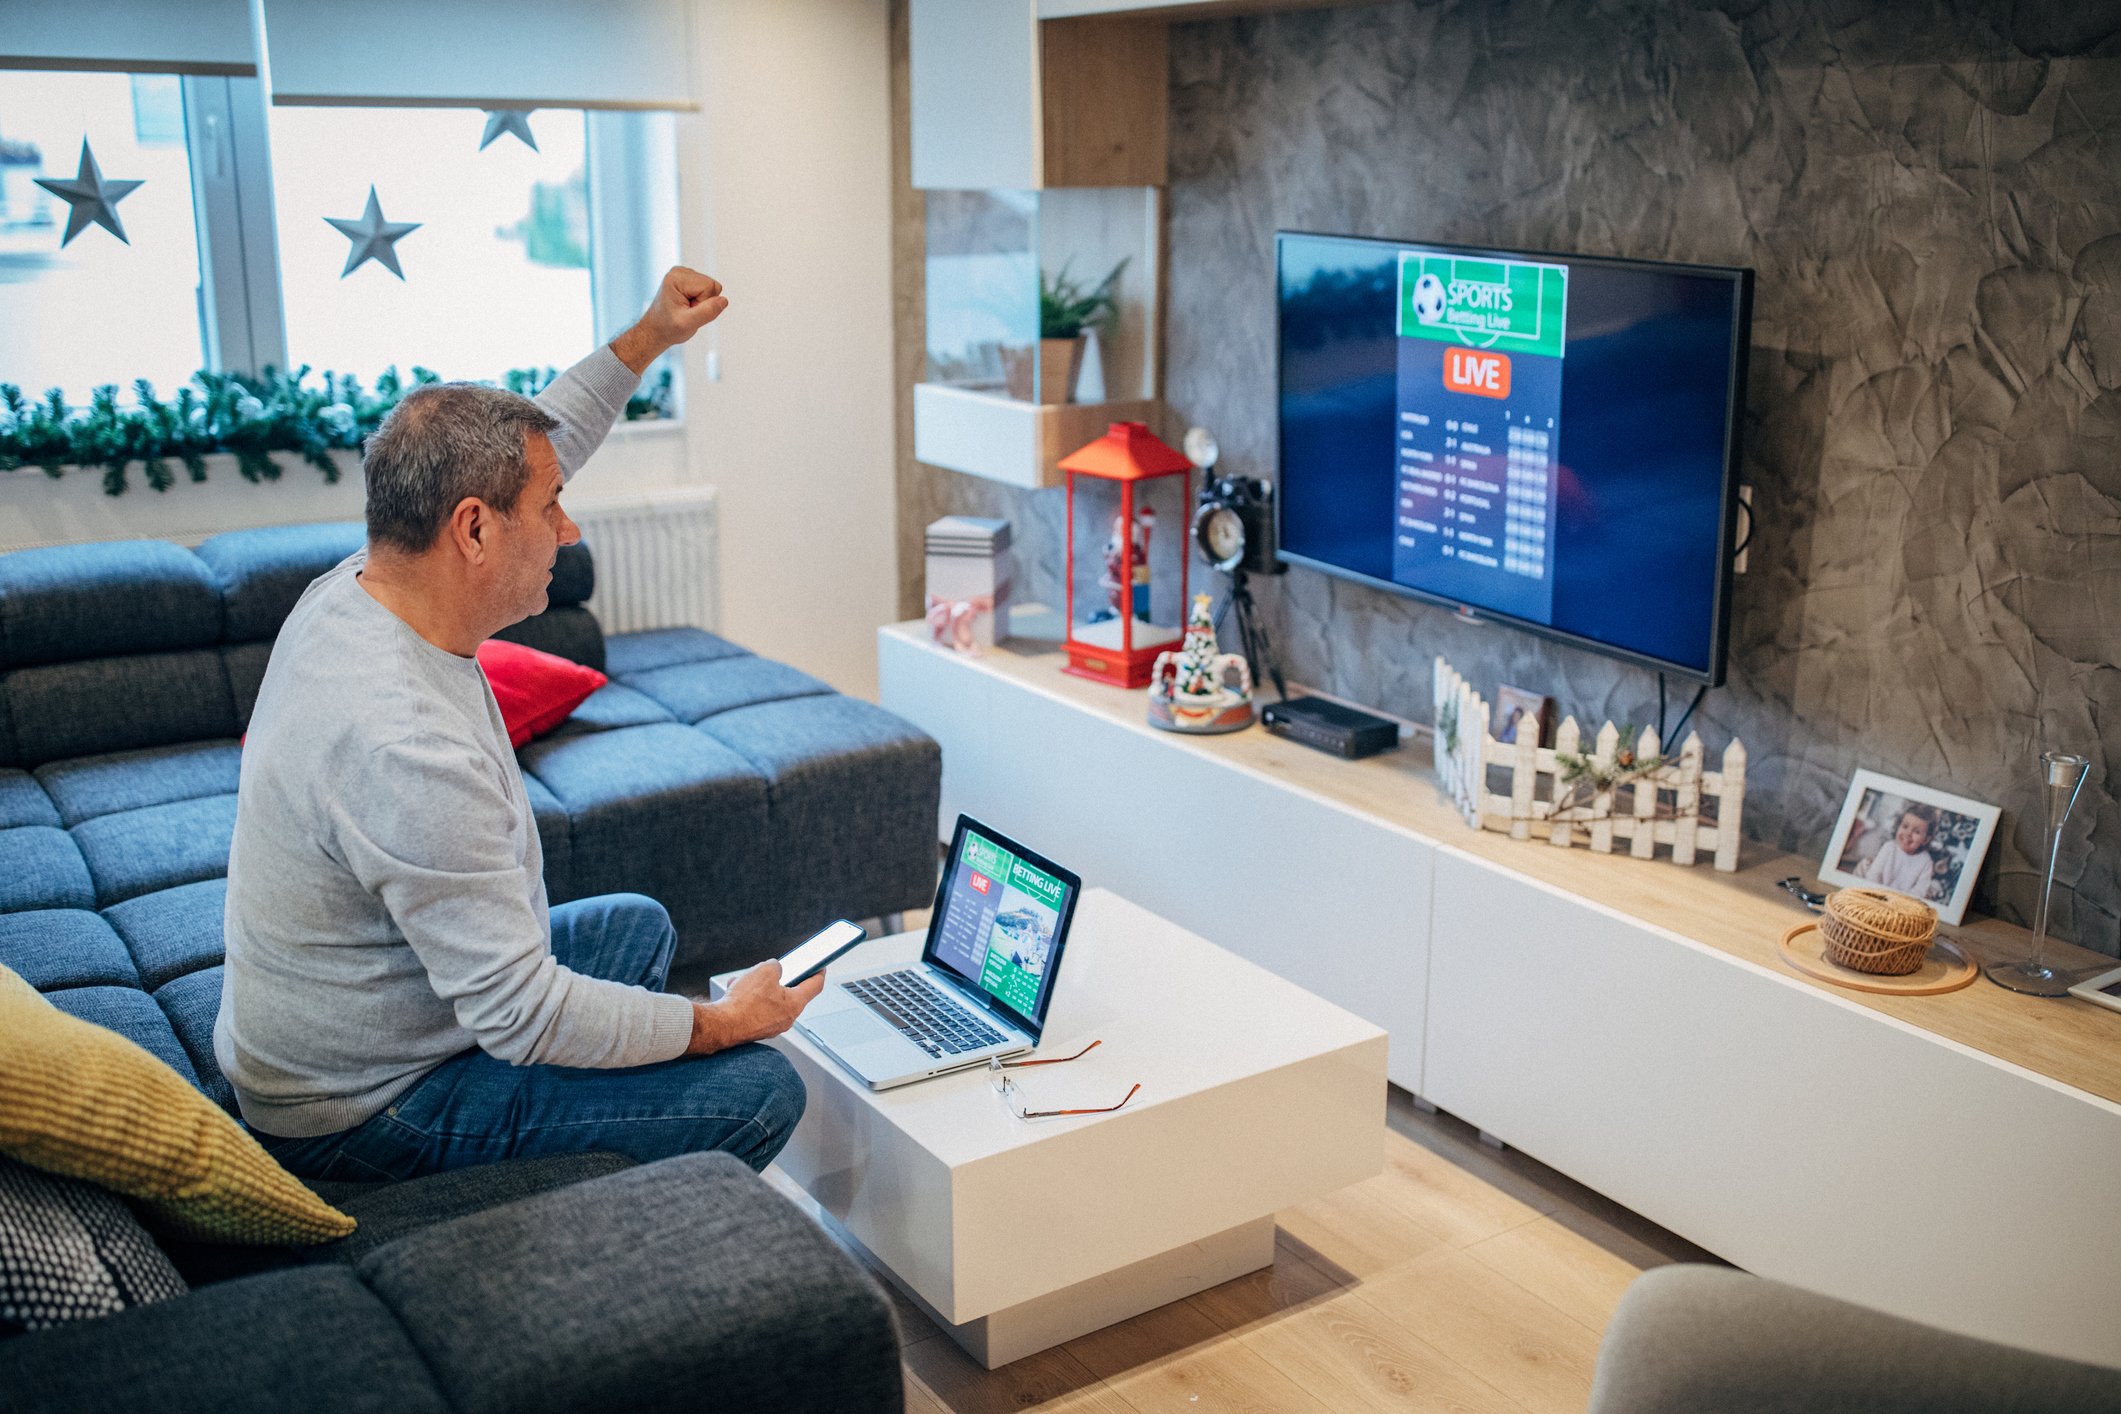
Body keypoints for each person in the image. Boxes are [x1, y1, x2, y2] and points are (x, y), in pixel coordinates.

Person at [213, 267, 827, 1183]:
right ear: (473, 530)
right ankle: (589, 1234)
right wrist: (720, 1026)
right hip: (364, 1103)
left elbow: (540, 441)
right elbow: (523, 1016)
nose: (568, 528)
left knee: (639, 925)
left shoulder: (359, 583)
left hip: (382, 1010)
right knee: (761, 1090)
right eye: (550, 509)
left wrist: (650, 337)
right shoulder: (401, 742)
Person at [1857, 802, 1938, 899]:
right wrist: (1877, 894)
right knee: (1864, 867)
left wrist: (1900, 901)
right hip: (1877, 893)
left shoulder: (1926, 861)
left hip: (1901, 902)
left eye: (1917, 832)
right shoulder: (1889, 847)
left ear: (1925, 840)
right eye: (1905, 826)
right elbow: (1875, 873)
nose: (1908, 833)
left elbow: (1920, 890)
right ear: (1898, 826)